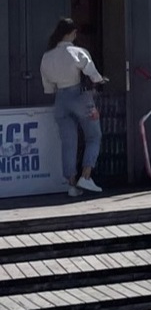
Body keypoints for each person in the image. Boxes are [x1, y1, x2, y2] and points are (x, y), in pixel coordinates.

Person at [41, 18, 104, 198]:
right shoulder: (78, 52)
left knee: (69, 143)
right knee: (94, 136)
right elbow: (93, 74)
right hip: (79, 97)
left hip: (60, 99)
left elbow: (48, 87)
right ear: (72, 33)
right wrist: (100, 80)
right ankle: (86, 176)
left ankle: (71, 184)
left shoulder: (47, 56)